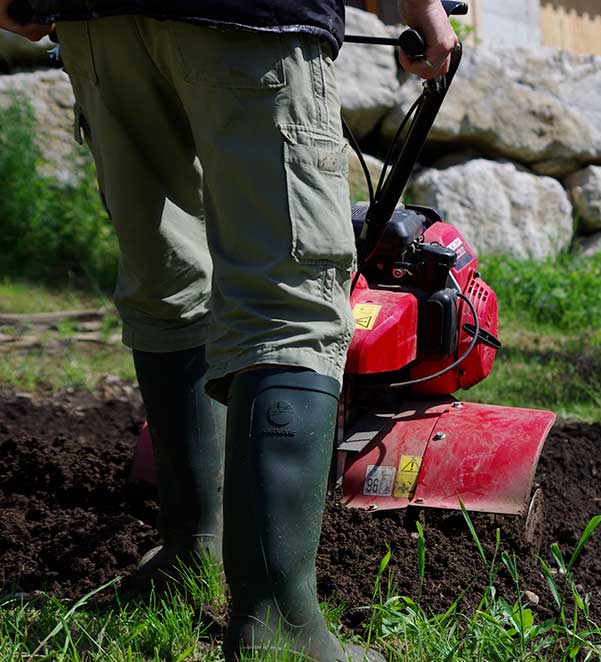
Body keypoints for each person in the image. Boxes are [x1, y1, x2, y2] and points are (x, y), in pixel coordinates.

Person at [0, 1, 457, 660]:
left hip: (98, 22)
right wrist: (424, 11)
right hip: (251, 17)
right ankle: (277, 621)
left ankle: (194, 545)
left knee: (168, 278)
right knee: (290, 302)